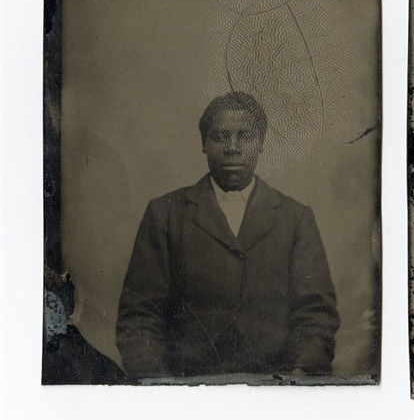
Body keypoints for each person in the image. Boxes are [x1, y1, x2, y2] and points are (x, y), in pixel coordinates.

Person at [116, 91, 340, 380]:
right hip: (186, 388)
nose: (233, 148)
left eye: (245, 137)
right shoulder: (165, 213)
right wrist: (164, 387)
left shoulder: (295, 217)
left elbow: (317, 316)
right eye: (221, 136)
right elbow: (139, 318)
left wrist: (296, 379)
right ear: (204, 144)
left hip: (274, 387)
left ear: (261, 144)